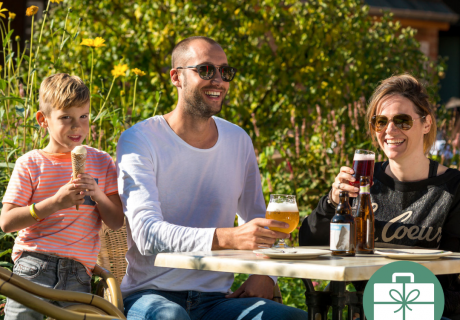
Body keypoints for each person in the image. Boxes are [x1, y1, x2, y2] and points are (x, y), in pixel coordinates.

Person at [117, 36, 308, 320]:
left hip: (217, 301)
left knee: (294, 319)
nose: (218, 80)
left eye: (225, 72)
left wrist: (267, 274)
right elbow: (147, 235)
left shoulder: (237, 139)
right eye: (205, 70)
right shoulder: (141, 139)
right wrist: (229, 237)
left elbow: (256, 219)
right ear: (176, 77)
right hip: (151, 295)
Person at [299, 74, 460, 319]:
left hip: (427, 310)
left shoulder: (452, 188)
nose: (389, 130)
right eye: (380, 122)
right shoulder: (361, 181)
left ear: (426, 123)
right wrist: (333, 202)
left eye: (402, 121)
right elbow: (309, 244)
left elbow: (453, 279)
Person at [0, 73, 124, 319]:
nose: (77, 126)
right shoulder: (31, 163)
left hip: (79, 272)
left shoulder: (101, 162)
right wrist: (54, 203)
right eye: (65, 118)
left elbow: (116, 221)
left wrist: (97, 193)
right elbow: (7, 222)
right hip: (33, 265)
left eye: (83, 116)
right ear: (43, 119)